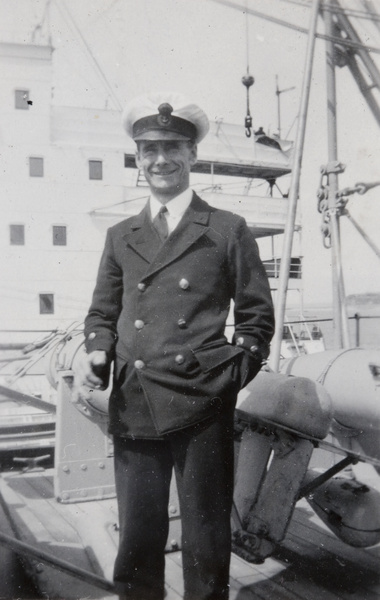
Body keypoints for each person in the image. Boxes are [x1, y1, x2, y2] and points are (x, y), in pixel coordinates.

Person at [75, 92, 275, 600]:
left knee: (207, 537)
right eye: (148, 150)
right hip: (136, 397)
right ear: (138, 159)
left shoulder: (227, 229)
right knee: (139, 533)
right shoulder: (123, 234)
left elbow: (256, 320)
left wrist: (227, 378)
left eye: (172, 147)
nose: (160, 159)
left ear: (191, 156)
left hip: (202, 401)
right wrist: (98, 349)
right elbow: (102, 311)